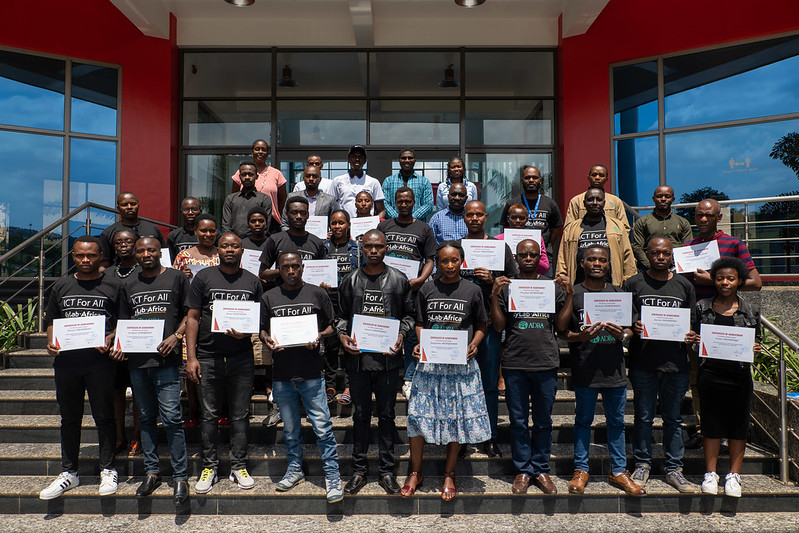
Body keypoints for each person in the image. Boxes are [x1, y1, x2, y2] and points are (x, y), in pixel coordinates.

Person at [403, 242, 491, 501]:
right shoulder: (427, 289)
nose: (450, 265)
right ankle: (415, 472)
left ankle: (449, 473)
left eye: (454, 261)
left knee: (455, 418)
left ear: (462, 262)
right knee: (418, 416)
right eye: (444, 261)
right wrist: (420, 342)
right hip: (430, 365)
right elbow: (420, 323)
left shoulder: (473, 290)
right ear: (437, 263)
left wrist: (474, 344)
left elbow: (482, 324)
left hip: (460, 366)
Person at [39, 235, 123, 500]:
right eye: (79, 256)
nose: (85, 260)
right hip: (67, 363)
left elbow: (123, 321)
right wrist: (50, 342)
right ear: (72, 257)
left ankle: (108, 468)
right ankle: (69, 473)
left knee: (104, 416)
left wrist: (111, 338)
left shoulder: (114, 285)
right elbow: (52, 320)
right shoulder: (61, 285)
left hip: (100, 363)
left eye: (91, 256)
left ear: (101, 257)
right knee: (70, 418)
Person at [556, 245, 645, 496]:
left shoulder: (619, 292)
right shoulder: (575, 293)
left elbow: (631, 328)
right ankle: (581, 469)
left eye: (603, 260)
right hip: (585, 368)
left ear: (609, 265)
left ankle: (618, 471)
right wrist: (580, 335)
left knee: (616, 422)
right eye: (592, 259)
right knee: (583, 421)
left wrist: (623, 334)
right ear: (581, 263)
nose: (597, 263)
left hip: (614, 369)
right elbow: (562, 331)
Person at [260, 252, 343, 504]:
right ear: (279, 270)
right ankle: (295, 469)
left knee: (323, 428)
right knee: (290, 430)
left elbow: (333, 325)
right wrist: (267, 340)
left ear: (303, 267)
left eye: (296, 266)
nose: (291, 270)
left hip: (311, 374)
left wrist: (318, 335)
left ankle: (332, 475)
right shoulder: (268, 297)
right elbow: (262, 329)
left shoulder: (317, 293)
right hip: (282, 375)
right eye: (286, 267)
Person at [337, 229, 415, 495]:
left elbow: (409, 315)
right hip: (358, 361)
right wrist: (342, 334)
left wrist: (403, 334)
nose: (373, 251)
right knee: (359, 416)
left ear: (386, 248)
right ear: (362, 247)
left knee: (387, 416)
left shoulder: (399, 279)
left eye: (379, 247)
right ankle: (358, 471)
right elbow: (340, 316)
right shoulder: (350, 280)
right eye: (369, 246)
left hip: (388, 361)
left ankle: (386, 472)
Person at [185, 233, 263, 494]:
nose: (230, 249)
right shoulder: (203, 278)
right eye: (225, 245)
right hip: (208, 357)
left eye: (235, 246)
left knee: (240, 415)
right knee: (208, 416)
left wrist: (247, 332)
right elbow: (193, 317)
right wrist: (191, 356)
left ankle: (238, 465)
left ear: (242, 250)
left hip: (241, 357)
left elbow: (258, 318)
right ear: (218, 249)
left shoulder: (253, 281)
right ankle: (210, 466)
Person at [490, 239, 569, 495]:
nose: (527, 258)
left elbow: (560, 326)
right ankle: (523, 469)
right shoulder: (507, 286)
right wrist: (493, 295)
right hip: (515, 362)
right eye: (522, 254)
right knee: (519, 421)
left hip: (545, 360)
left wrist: (570, 296)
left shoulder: (551, 286)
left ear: (539, 257)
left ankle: (541, 468)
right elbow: (500, 327)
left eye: (532, 254)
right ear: (515, 257)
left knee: (544, 420)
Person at [684, 198, 762, 449]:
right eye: (698, 215)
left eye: (708, 215)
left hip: (731, 321)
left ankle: (733, 428)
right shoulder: (688, 248)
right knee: (698, 377)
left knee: (733, 376)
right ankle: (702, 426)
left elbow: (755, 282)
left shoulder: (734, 244)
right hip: (699, 319)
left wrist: (714, 281)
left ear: (718, 217)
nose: (703, 219)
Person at [623, 237, 698, 493]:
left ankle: (674, 468)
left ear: (672, 255)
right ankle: (642, 463)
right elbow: (626, 320)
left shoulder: (684, 285)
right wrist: (633, 327)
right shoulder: (633, 283)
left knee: (673, 419)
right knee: (643, 417)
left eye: (665, 253)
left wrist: (690, 335)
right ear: (647, 254)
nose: (660, 257)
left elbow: (692, 323)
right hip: (643, 362)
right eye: (655, 253)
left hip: (675, 363)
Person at [120, 237, 190, 505]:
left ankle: (181, 476)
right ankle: (151, 472)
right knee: (146, 418)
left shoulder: (176, 278)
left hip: (166, 361)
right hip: (138, 362)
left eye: (151, 250)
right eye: (141, 251)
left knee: (172, 418)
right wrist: (120, 345)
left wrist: (177, 335)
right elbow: (124, 321)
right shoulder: (129, 283)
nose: (146, 254)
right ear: (135, 255)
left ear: (159, 252)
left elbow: (189, 312)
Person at [690, 257, 761, 498]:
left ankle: (733, 475)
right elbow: (693, 342)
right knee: (710, 425)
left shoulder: (750, 310)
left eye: (731, 278)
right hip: (710, 374)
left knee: (738, 426)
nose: (725, 282)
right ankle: (710, 474)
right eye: (720, 278)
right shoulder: (701, 307)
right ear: (714, 280)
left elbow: (756, 339)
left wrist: (755, 347)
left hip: (739, 374)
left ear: (739, 281)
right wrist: (694, 343)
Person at [457, 200, 518, 457]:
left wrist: (493, 280)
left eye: (479, 214)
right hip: (460, 325)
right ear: (464, 218)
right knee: (458, 384)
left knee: (489, 384)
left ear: (486, 217)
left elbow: (514, 284)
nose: (474, 218)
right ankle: (458, 438)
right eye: (469, 214)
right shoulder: (456, 247)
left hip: (490, 325)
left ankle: (490, 436)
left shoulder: (499, 247)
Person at [377, 187, 437, 398]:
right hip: (386, 288)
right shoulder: (384, 226)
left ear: (414, 203)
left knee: (411, 334)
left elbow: (430, 259)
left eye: (408, 201)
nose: (404, 205)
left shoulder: (424, 228)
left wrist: (420, 280)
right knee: (387, 329)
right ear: (395, 203)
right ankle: (386, 373)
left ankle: (409, 378)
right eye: (400, 201)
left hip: (412, 289)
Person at [172, 213, 220, 427]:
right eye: (203, 230)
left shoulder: (223, 254)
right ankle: (193, 411)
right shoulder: (183, 256)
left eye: (212, 231)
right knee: (190, 366)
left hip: (217, 318)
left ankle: (218, 411)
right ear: (195, 231)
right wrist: (183, 276)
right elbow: (174, 286)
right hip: (191, 316)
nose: (208, 234)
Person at [322, 209, 364, 405]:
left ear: (348, 225)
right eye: (334, 223)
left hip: (350, 301)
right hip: (328, 301)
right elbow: (315, 270)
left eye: (341, 223)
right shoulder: (323, 247)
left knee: (350, 343)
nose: (337, 226)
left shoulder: (357, 248)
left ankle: (348, 386)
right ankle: (330, 385)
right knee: (330, 344)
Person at [105, 230, 142, 456]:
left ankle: (137, 437)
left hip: (138, 339)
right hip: (111, 342)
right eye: (119, 242)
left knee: (139, 391)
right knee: (116, 390)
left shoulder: (145, 271)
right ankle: (119, 436)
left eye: (128, 241)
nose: (123, 245)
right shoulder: (107, 273)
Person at [557, 187, 636, 287]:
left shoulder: (618, 226)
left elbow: (627, 255)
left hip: (611, 286)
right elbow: (562, 258)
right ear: (584, 203)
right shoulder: (572, 228)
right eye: (590, 199)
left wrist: (629, 280)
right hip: (578, 287)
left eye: (599, 199)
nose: (595, 203)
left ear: (604, 203)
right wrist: (561, 278)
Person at [499, 166, 563, 270]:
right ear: (522, 181)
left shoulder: (550, 203)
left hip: (543, 258)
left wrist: (544, 244)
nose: (531, 180)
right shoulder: (512, 203)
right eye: (527, 178)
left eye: (535, 177)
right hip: (516, 259)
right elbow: (506, 228)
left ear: (540, 180)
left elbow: (555, 230)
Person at [258, 196, 328, 284]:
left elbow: (324, 273)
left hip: (309, 294)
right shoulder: (275, 240)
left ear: (308, 215)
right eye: (294, 212)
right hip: (282, 294)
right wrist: (283, 270)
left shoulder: (317, 242)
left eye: (302, 213)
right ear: (287, 215)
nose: (298, 216)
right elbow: (262, 273)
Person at [230, 139, 287, 234]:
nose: (260, 152)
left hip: (271, 223)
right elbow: (234, 198)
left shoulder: (277, 174)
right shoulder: (241, 173)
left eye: (263, 149)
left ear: (267, 153)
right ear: (252, 152)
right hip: (244, 220)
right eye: (257, 149)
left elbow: (283, 200)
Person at [631, 186, 692, 271]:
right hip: (648, 271)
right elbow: (637, 247)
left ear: (673, 199)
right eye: (659, 196)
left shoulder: (683, 222)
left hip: (676, 270)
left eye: (667, 196)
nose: (663, 199)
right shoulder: (643, 222)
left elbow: (687, 247)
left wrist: (675, 266)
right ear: (653, 199)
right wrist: (650, 266)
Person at [99, 191, 165, 268]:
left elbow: (164, 255)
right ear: (118, 208)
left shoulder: (153, 229)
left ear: (138, 205)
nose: (129, 207)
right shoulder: (108, 232)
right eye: (124, 205)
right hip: (121, 276)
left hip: (152, 274)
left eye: (133, 204)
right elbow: (104, 262)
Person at [564, 164, 630, 233]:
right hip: (585, 240)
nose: (597, 178)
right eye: (594, 175)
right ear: (588, 177)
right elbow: (569, 228)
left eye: (601, 175)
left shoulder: (615, 201)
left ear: (606, 179)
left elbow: (624, 227)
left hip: (608, 241)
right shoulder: (576, 201)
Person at [222, 161, 273, 239]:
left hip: (256, 243)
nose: (247, 177)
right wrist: (232, 241)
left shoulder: (264, 199)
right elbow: (226, 225)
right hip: (234, 243)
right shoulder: (230, 199)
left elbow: (265, 226)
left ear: (257, 176)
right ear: (239, 177)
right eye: (243, 174)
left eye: (250, 174)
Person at [494, 204, 550, 275]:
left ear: (526, 220)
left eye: (521, 218)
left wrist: (532, 257)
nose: (517, 221)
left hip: (530, 280)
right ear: (508, 219)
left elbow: (545, 268)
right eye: (514, 218)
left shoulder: (536, 238)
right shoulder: (498, 240)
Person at [382, 149, 435, 222]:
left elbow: (428, 205)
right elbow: (385, 203)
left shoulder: (424, 182)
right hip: (394, 224)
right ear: (399, 160)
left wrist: (411, 218)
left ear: (414, 160)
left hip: (417, 224)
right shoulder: (388, 181)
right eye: (403, 158)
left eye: (410, 158)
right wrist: (398, 218)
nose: (407, 160)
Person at [333, 145, 384, 219]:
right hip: (345, 226)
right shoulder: (337, 181)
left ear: (365, 160)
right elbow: (331, 206)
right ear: (348, 159)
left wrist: (376, 224)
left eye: (360, 157)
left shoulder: (373, 182)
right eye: (354, 156)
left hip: (368, 225)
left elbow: (381, 210)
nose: (357, 159)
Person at [281, 164, 337, 230]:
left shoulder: (330, 200)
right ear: (303, 178)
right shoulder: (292, 197)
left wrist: (331, 234)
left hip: (321, 239)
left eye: (315, 176)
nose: (311, 179)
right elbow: (284, 223)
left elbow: (334, 223)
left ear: (320, 179)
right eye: (308, 176)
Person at [166, 197, 203, 263]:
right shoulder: (173, 236)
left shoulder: (209, 235)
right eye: (186, 209)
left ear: (200, 211)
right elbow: (170, 262)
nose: (190, 212)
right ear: (181, 212)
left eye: (194, 209)